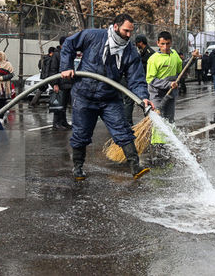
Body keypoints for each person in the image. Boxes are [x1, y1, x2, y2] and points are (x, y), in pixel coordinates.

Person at [60, 13, 151, 181]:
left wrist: (143, 98)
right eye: (126, 31)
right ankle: (78, 168)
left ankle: (135, 166)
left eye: (131, 31)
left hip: (109, 97)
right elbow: (68, 44)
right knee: (81, 133)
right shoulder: (93, 36)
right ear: (115, 27)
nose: (129, 35)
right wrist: (66, 67)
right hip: (84, 94)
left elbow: (136, 79)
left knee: (122, 130)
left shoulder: (129, 50)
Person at [146, 32, 189, 148]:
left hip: (171, 94)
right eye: (162, 44)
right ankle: (157, 146)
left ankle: (169, 143)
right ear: (158, 44)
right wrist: (168, 84)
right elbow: (150, 79)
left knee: (169, 119)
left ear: (171, 43)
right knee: (158, 120)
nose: (165, 47)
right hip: (157, 94)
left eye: (168, 44)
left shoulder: (175, 54)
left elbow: (181, 70)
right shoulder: (153, 59)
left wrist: (192, 60)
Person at [53, 36, 73, 130]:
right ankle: (56, 123)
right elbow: (53, 70)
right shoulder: (57, 55)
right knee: (58, 104)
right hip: (60, 84)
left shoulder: (67, 54)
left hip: (67, 83)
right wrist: (55, 84)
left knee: (64, 105)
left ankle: (63, 122)